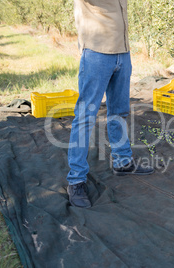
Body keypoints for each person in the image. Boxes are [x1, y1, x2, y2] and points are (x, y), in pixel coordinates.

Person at [67, 0, 154, 208]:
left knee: (119, 112)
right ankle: (76, 179)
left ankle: (122, 162)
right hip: (96, 54)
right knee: (85, 117)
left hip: (123, 54)